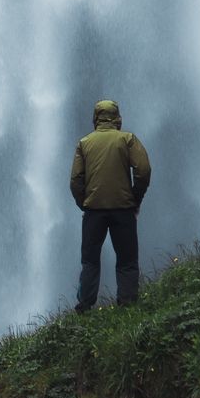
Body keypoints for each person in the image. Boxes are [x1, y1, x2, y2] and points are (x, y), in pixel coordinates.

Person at [70, 98, 151, 312]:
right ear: (117, 118)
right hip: (123, 209)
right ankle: (127, 305)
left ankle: (85, 307)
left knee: (90, 261)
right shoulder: (127, 139)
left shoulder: (84, 143)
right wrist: (135, 198)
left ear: (95, 118)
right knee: (127, 260)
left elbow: (75, 180)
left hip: (94, 212)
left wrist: (84, 202)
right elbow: (143, 170)